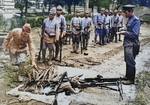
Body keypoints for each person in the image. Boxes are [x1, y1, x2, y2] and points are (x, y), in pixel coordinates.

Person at [117, 5, 140, 85]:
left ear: (130, 12)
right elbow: (129, 29)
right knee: (127, 60)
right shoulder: (130, 19)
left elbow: (135, 34)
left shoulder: (136, 20)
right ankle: (127, 76)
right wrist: (124, 29)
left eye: (126, 13)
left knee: (131, 62)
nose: (125, 14)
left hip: (132, 44)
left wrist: (124, 33)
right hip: (127, 44)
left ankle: (131, 80)